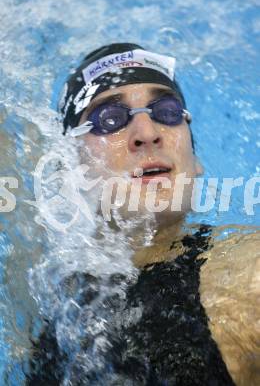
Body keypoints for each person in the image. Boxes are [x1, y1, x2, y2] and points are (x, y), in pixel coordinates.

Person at [27, 43, 260, 385]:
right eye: (109, 120)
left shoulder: (246, 275)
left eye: (166, 110)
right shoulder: (55, 300)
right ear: (70, 173)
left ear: (195, 163)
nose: (147, 133)